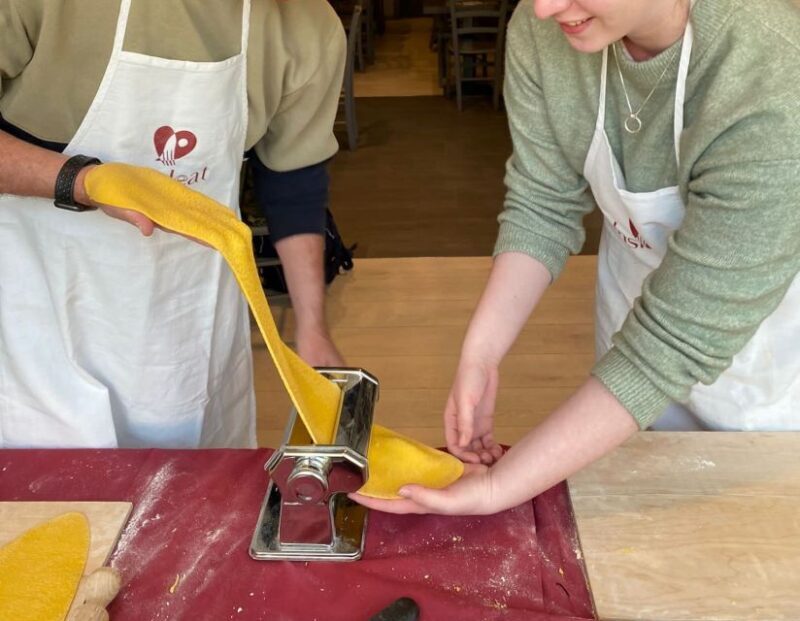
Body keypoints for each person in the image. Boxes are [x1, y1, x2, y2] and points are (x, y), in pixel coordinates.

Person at [353, 0, 800, 515]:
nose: (544, 9)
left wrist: (502, 488)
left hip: (765, 385)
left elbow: (674, 341)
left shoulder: (771, 74)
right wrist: (481, 351)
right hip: (629, 363)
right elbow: (543, 201)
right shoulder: (547, 32)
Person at [0, 0, 346, 448]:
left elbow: (293, 180)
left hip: (186, 316)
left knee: (193, 484)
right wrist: (81, 180)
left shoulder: (306, 25)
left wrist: (312, 330)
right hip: (38, 309)